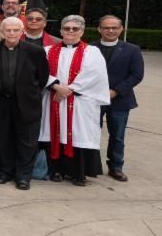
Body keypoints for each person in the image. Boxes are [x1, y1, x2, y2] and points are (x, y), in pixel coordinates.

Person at [39, 15, 110, 186]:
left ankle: (78, 173)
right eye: (67, 28)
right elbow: (40, 71)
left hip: (80, 102)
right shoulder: (47, 50)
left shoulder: (92, 52)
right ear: (61, 31)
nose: (70, 31)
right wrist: (56, 86)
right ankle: (56, 170)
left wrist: (69, 89)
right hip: (53, 98)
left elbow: (94, 74)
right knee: (54, 132)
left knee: (78, 134)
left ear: (82, 31)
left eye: (75, 29)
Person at [0, 17, 49, 190]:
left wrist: (27, 93)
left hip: (26, 103)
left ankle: (23, 176)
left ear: (22, 31)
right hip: (0, 102)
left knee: (27, 140)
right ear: (2, 31)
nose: (11, 33)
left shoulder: (35, 51)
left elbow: (42, 78)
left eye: (15, 30)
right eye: (8, 30)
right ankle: (4, 171)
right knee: (2, 138)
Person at [95, 15, 144, 182]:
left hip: (120, 100)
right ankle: (91, 165)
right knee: (92, 133)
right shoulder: (90, 48)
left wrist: (116, 91)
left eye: (114, 27)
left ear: (121, 29)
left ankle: (115, 167)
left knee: (117, 135)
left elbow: (137, 75)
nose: (110, 30)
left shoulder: (132, 49)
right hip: (94, 99)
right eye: (106, 27)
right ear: (99, 29)